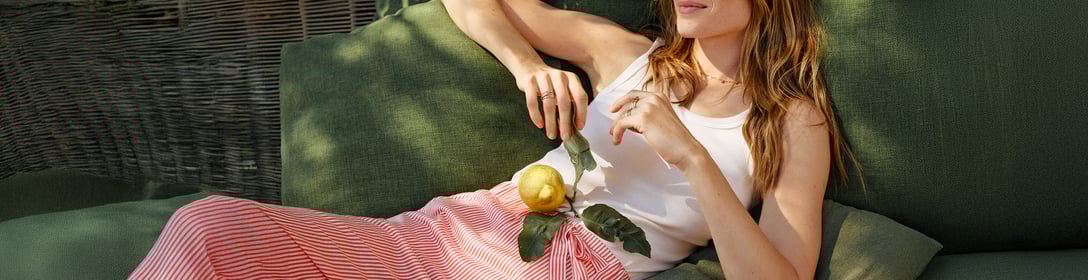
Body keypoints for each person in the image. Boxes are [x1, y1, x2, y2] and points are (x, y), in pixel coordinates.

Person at [129, 0, 854, 279]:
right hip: (476, 226)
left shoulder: (792, 120)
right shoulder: (623, 52)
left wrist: (692, 156)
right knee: (207, 226)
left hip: (580, 267)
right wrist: (528, 63)